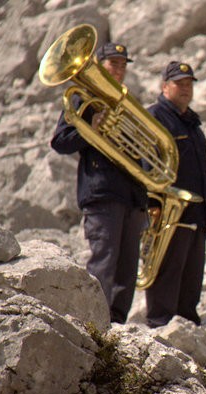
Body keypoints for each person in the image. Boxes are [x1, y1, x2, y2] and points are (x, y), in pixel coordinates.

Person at [50, 42, 147, 324]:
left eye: (123, 65)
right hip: (102, 194)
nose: (118, 70)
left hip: (132, 196)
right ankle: (94, 325)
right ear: (98, 64)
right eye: (112, 63)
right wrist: (89, 130)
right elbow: (60, 141)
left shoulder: (127, 103)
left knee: (127, 269)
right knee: (103, 262)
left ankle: (116, 326)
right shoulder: (83, 98)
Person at [144, 61, 206, 328]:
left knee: (191, 277)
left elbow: (204, 173)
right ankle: (161, 326)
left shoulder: (193, 124)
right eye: (180, 83)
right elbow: (146, 164)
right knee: (167, 273)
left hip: (196, 214)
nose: (186, 89)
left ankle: (187, 326)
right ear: (165, 87)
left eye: (189, 84)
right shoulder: (155, 117)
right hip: (169, 213)